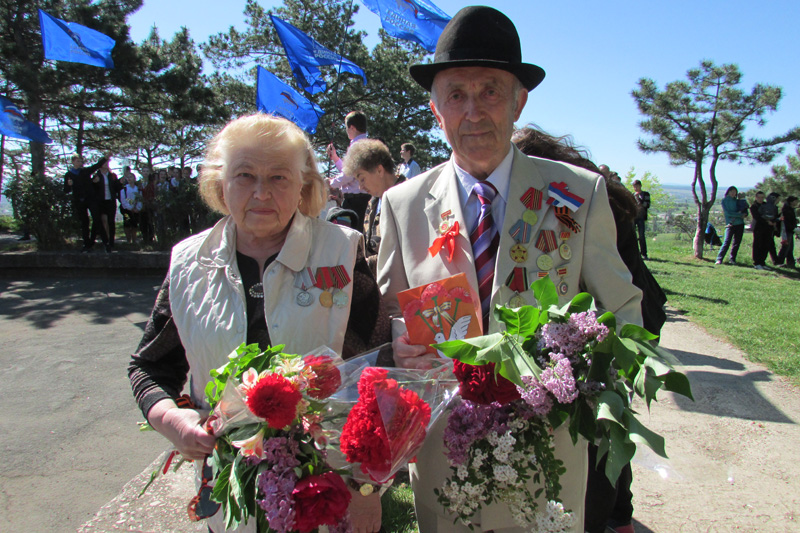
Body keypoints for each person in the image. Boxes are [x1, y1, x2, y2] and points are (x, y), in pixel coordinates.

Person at [375, 7, 643, 532]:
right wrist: (397, 342)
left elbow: (623, 312)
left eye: (491, 91)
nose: (473, 111)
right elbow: (388, 313)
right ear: (436, 110)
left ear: (519, 102)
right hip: (444, 451)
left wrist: (587, 383)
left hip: (549, 449)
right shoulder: (402, 204)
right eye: (457, 94)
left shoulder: (575, 193)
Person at [128, 114, 390, 533]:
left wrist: (365, 489)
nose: (262, 192)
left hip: (328, 492)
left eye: (279, 177)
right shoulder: (188, 263)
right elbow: (150, 366)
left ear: (303, 184)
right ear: (220, 184)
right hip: (231, 497)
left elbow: (378, 374)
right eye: (245, 175)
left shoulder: (341, 252)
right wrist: (171, 420)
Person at [513, 125, 664, 533]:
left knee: (604, 421)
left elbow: (575, 255)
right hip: (611, 316)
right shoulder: (581, 196)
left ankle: (610, 513)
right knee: (606, 421)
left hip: (624, 317)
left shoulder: (574, 201)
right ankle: (618, 513)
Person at [343, 139, 407, 274]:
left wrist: (368, 263)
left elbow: (408, 251)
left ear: (379, 170)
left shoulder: (408, 196)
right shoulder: (373, 202)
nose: (361, 187)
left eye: (362, 178)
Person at [326, 110, 372, 228]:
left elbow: (348, 175)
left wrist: (331, 183)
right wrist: (336, 158)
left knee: (349, 234)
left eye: (346, 128)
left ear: (352, 128)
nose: (346, 131)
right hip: (359, 198)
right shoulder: (365, 144)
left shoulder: (357, 146)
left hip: (354, 200)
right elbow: (350, 170)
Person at [63, 152, 111, 252]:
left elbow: (96, 166)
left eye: (81, 161)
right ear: (73, 162)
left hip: (91, 199)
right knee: (84, 223)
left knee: (97, 219)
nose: (80, 163)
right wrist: (69, 185)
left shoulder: (85, 171)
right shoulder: (68, 175)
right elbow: (66, 190)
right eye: (78, 161)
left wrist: (105, 158)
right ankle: (87, 244)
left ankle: (106, 243)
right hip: (79, 201)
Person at [93, 160, 123, 251]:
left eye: (107, 163)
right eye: (104, 163)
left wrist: (120, 183)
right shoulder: (96, 175)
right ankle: (105, 241)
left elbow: (116, 188)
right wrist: (95, 182)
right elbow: (93, 189)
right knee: (103, 221)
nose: (106, 164)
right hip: (101, 201)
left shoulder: (112, 175)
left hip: (111, 200)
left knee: (111, 222)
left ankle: (111, 242)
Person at [715, 186, 748, 265]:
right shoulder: (725, 201)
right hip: (730, 224)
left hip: (740, 224)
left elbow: (745, 211)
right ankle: (719, 258)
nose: (733, 193)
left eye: (735, 192)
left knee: (737, 243)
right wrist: (739, 215)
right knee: (726, 241)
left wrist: (743, 214)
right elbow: (728, 213)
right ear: (728, 192)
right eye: (732, 191)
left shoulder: (738, 201)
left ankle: (732, 259)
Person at [751, 191, 779, 269]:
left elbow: (773, 214)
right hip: (758, 228)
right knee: (758, 245)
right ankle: (757, 263)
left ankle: (762, 262)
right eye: (759, 197)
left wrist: (773, 221)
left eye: (762, 197)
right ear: (756, 197)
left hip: (768, 228)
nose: (761, 199)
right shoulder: (754, 206)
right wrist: (767, 221)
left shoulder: (766, 205)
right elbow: (757, 217)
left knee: (766, 245)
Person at [119, 170, 142, 244]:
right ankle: (128, 240)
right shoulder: (124, 189)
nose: (129, 179)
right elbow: (123, 201)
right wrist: (130, 208)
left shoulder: (138, 189)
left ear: (135, 179)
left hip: (135, 210)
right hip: (126, 210)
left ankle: (134, 240)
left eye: (131, 177)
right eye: (128, 177)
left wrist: (137, 208)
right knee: (127, 225)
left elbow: (140, 199)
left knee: (134, 225)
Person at [776, 195, 798, 268]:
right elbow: (787, 221)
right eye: (796, 201)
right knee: (786, 246)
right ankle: (779, 261)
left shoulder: (791, 209)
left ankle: (791, 262)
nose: (797, 202)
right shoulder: (787, 210)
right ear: (791, 202)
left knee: (790, 247)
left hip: (790, 230)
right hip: (787, 230)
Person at [632, 179, 650, 259]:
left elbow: (647, 204)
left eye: (637, 186)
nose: (636, 188)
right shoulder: (632, 195)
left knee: (641, 236)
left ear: (640, 186)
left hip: (641, 217)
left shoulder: (645, 194)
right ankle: (635, 253)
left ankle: (644, 253)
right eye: (634, 186)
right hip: (634, 217)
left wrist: (638, 199)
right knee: (633, 236)